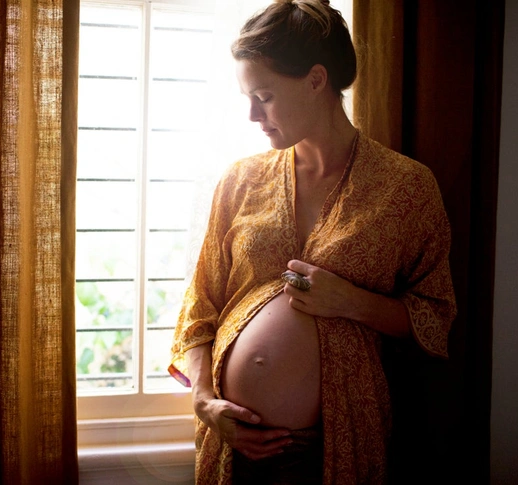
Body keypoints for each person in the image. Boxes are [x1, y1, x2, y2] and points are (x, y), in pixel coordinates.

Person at [169, 0, 456, 483]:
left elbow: (434, 316)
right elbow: (199, 308)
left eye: (264, 95)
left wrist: (351, 301)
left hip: (337, 443)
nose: (252, 115)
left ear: (317, 80)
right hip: (233, 443)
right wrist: (203, 403)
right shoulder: (240, 181)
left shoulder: (406, 187)